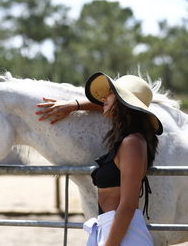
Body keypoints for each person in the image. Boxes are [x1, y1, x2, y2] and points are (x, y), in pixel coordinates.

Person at [36, 72, 163, 246]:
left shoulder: (132, 143)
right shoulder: (129, 139)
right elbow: (107, 105)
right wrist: (74, 106)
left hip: (122, 233)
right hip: (113, 230)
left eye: (110, 93)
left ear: (123, 102)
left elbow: (127, 205)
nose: (103, 97)